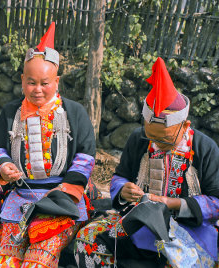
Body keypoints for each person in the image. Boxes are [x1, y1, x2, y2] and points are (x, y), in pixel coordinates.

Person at [74, 57, 219, 267]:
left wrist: (173, 204)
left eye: (165, 139)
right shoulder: (138, 138)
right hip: (138, 222)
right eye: (152, 137)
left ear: (185, 125)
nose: (157, 144)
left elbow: (216, 201)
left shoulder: (205, 148)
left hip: (189, 229)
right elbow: (120, 176)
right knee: (87, 239)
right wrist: (123, 189)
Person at [0, 22, 96, 268]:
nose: (37, 90)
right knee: (5, 259)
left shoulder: (74, 113)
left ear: (57, 81)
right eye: (31, 82)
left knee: (39, 259)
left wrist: (65, 191)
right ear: (22, 80)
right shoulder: (10, 112)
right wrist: (4, 165)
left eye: (44, 83)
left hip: (61, 200)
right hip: (21, 199)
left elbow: (85, 155)